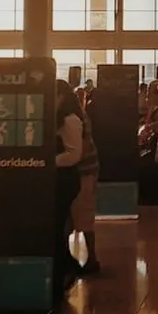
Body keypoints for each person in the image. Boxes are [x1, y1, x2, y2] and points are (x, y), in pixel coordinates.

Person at [53, 81, 87, 284]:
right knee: (58, 225)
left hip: (65, 178)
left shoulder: (71, 120)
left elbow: (74, 155)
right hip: (60, 177)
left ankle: (66, 267)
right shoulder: (58, 119)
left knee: (59, 223)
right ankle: (65, 264)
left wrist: (47, 162)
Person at [70, 96, 101, 275]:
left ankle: (92, 258)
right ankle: (90, 257)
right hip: (87, 168)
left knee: (83, 211)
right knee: (84, 212)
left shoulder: (74, 119)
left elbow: (78, 151)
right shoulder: (80, 116)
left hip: (83, 170)